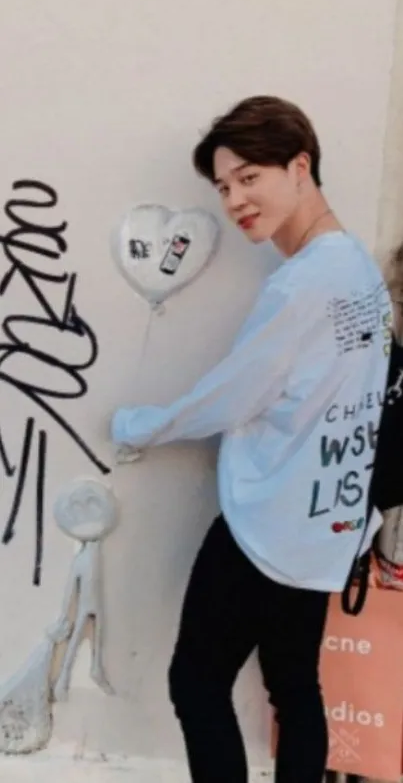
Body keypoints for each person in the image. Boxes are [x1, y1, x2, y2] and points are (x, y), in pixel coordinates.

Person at [111, 96, 391, 783]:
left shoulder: (302, 284)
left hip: (269, 523)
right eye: (223, 186)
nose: (235, 200)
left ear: (300, 166)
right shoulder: (356, 270)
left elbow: (233, 394)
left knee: (194, 681)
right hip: (328, 524)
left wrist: (139, 425)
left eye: (248, 177)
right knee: (294, 690)